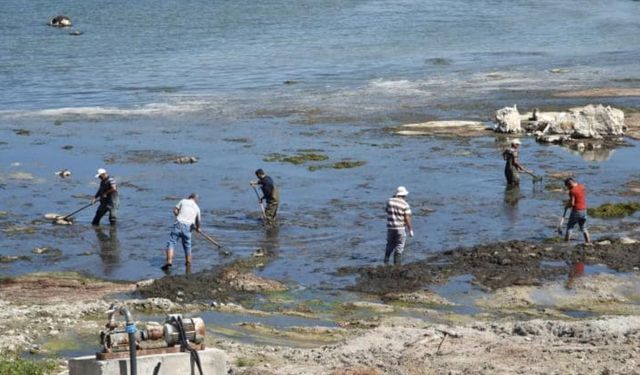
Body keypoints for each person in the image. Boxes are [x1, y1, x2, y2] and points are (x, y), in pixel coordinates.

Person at [161, 193, 201, 271]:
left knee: (171, 243)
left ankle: (169, 261)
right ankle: (188, 263)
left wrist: (178, 215)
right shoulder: (197, 208)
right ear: (196, 200)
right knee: (187, 246)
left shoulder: (183, 201)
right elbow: (198, 222)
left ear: (189, 197)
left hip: (179, 224)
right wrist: (198, 228)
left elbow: (174, 210)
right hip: (188, 227)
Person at [384, 186, 413, 265]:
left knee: (389, 244)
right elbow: (407, 217)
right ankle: (397, 264)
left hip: (390, 227)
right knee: (399, 246)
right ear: (404, 195)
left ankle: (386, 261)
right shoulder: (405, 204)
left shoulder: (389, 201)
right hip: (400, 227)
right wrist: (410, 229)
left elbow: (387, 210)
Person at [564, 178, 591, 244]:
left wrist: (567, 206)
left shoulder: (572, 191)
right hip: (584, 210)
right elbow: (578, 196)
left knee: (570, 227)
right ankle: (588, 242)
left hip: (576, 211)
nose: (567, 188)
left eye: (567, 186)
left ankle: (566, 243)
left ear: (569, 184)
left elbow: (572, 203)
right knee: (583, 227)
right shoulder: (582, 187)